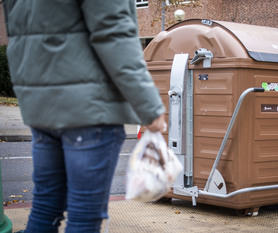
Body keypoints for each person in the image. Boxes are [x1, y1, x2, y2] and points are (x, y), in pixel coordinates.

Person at [3, 0, 166, 232]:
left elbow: (18, 36)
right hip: (91, 109)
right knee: (84, 216)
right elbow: (114, 34)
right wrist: (150, 108)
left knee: (45, 207)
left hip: (42, 108)